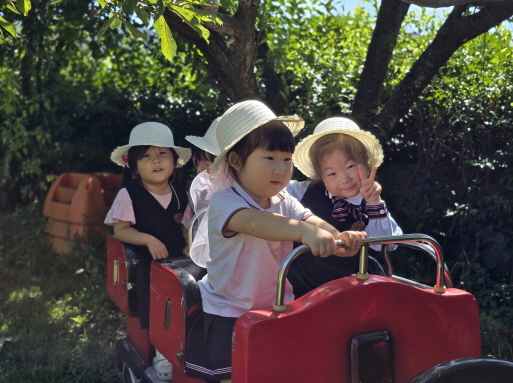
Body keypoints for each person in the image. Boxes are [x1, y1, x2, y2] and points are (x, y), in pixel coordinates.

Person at [184, 101, 367, 383]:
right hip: (230, 310)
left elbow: (312, 221)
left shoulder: (284, 199)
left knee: (278, 370)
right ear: (235, 161)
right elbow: (257, 223)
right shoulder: (224, 202)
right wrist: (304, 233)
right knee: (235, 376)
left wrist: (339, 239)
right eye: (269, 159)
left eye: (287, 159)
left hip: (277, 305)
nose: (281, 169)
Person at [104, 122, 191, 381]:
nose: (155, 160)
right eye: (146, 156)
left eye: (162, 154)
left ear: (174, 161)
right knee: (155, 311)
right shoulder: (129, 194)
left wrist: (190, 243)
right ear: (134, 165)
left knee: (183, 308)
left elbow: (187, 228)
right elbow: (121, 230)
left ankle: (183, 351)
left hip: (179, 265)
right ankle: (160, 353)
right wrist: (147, 239)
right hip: (148, 266)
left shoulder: (182, 195)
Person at [285, 117, 403, 298]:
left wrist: (374, 202)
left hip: (347, 289)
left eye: (350, 166)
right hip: (302, 288)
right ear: (319, 175)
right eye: (331, 173)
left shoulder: (369, 199)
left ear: (366, 163)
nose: (344, 178)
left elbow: (389, 244)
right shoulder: (303, 191)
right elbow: (271, 189)